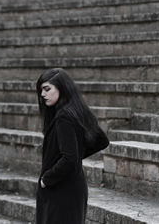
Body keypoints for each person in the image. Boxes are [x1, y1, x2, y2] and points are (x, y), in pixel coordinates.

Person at [35, 68, 109, 224]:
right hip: (72, 186)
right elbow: (101, 141)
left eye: (47, 89)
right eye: (41, 90)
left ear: (61, 88)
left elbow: (70, 158)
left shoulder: (64, 118)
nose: (43, 94)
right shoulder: (74, 111)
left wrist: (47, 178)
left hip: (60, 190)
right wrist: (72, 156)